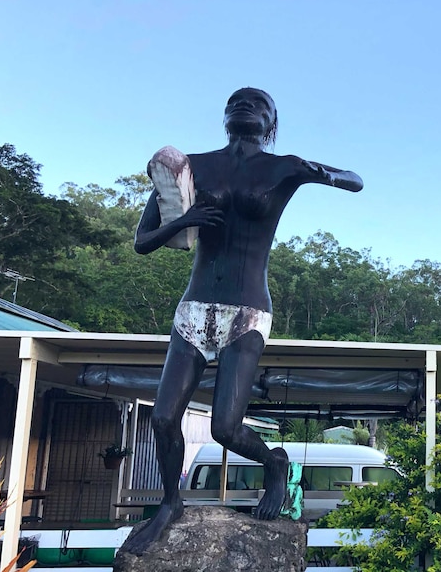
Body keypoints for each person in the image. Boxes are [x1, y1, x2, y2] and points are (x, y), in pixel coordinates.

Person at [124, 87, 362, 554]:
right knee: (163, 418)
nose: (246, 106)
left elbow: (354, 180)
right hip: (194, 309)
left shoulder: (282, 167)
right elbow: (143, 240)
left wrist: (318, 172)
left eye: (259, 104)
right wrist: (181, 221)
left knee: (224, 429)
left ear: (271, 122)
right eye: (237, 101)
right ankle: (171, 503)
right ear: (225, 115)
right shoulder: (188, 166)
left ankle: (276, 464)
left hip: (248, 312)